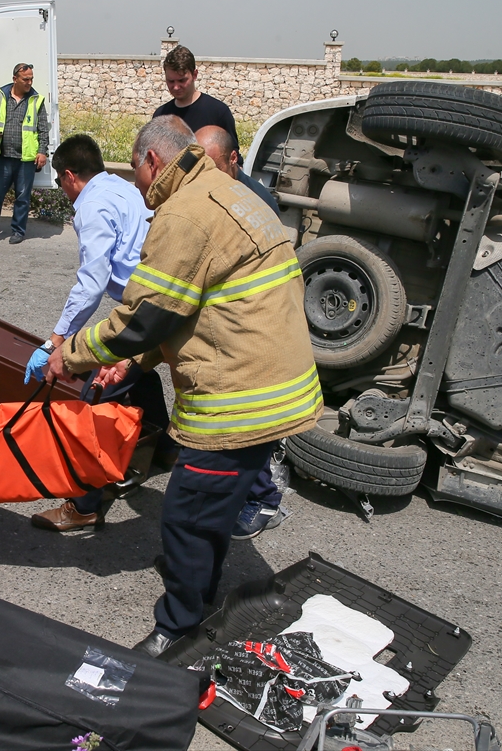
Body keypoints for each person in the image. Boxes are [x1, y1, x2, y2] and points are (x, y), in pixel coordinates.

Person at [44, 117, 322, 657]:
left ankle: (177, 628)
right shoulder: (226, 191)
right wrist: (132, 365)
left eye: (139, 176)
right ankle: (199, 580)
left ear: (153, 162)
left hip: (239, 397)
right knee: (213, 508)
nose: (140, 191)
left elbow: (144, 316)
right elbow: (187, 306)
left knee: (187, 512)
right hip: (280, 383)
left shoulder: (183, 216)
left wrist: (71, 356)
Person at [22, 134, 175, 531]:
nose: (62, 189)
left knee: (96, 392)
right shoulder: (123, 187)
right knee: (140, 376)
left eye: (59, 181)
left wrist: (56, 340)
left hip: (149, 307)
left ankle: (84, 504)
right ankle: (164, 450)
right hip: (158, 300)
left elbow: (92, 283)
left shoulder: (91, 204)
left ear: (70, 176)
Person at [196, 125, 295, 539]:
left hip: (253, 330)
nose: (205, 178)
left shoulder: (257, 202)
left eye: (213, 167)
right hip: (229, 326)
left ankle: (264, 499)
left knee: (244, 423)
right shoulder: (211, 195)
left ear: (233, 160)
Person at [0, 62, 51, 245]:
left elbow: (42, 130)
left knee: (22, 197)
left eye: (31, 79)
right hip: (2, 157)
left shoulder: (36, 100)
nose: (29, 82)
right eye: (26, 79)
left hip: (25, 158)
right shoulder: (0, 96)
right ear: (15, 79)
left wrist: (42, 152)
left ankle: (18, 231)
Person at [153, 46, 240, 154]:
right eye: (171, 81)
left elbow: (234, 160)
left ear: (194, 75)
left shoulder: (218, 112)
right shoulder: (160, 115)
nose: (176, 87)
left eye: (182, 80)